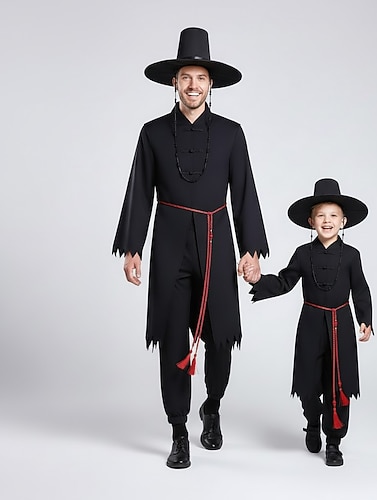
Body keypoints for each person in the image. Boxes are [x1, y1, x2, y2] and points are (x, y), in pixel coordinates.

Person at [112, 27, 269, 469]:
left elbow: (244, 192)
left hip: (218, 240)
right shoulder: (153, 133)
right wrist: (132, 247)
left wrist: (251, 249)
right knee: (171, 336)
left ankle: (212, 406)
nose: (193, 85)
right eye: (186, 77)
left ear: (211, 83)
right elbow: (140, 190)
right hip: (169, 241)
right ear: (174, 82)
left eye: (201, 77)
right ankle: (178, 429)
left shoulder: (232, 134)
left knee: (221, 335)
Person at [243, 178, 372, 466]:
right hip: (311, 324)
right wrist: (258, 281)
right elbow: (285, 281)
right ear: (311, 221)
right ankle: (313, 422)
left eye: (333, 215)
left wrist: (365, 320)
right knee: (308, 383)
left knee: (339, 384)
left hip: (341, 324)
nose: (327, 221)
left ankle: (334, 442)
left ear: (343, 221)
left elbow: (361, 289)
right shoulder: (303, 254)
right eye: (321, 216)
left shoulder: (352, 256)